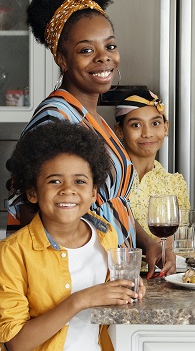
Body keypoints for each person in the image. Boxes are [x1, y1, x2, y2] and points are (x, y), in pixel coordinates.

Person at [4, 0, 174, 276]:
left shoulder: (91, 117)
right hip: (82, 280)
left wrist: (145, 239)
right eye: (86, 50)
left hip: (114, 273)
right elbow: (30, 205)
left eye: (109, 46)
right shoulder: (56, 117)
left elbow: (108, 199)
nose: (103, 58)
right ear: (62, 59)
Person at [0, 121, 145, 351]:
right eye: (54, 181)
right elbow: (16, 343)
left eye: (80, 181)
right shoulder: (11, 253)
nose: (68, 190)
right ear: (33, 192)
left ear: (93, 193)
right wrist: (79, 301)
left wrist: (127, 290)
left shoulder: (106, 234)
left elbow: (108, 300)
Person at [114, 89, 190, 239]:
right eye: (136, 125)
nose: (147, 133)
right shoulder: (111, 180)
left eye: (155, 123)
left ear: (166, 127)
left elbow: (182, 239)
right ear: (119, 131)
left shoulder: (175, 184)